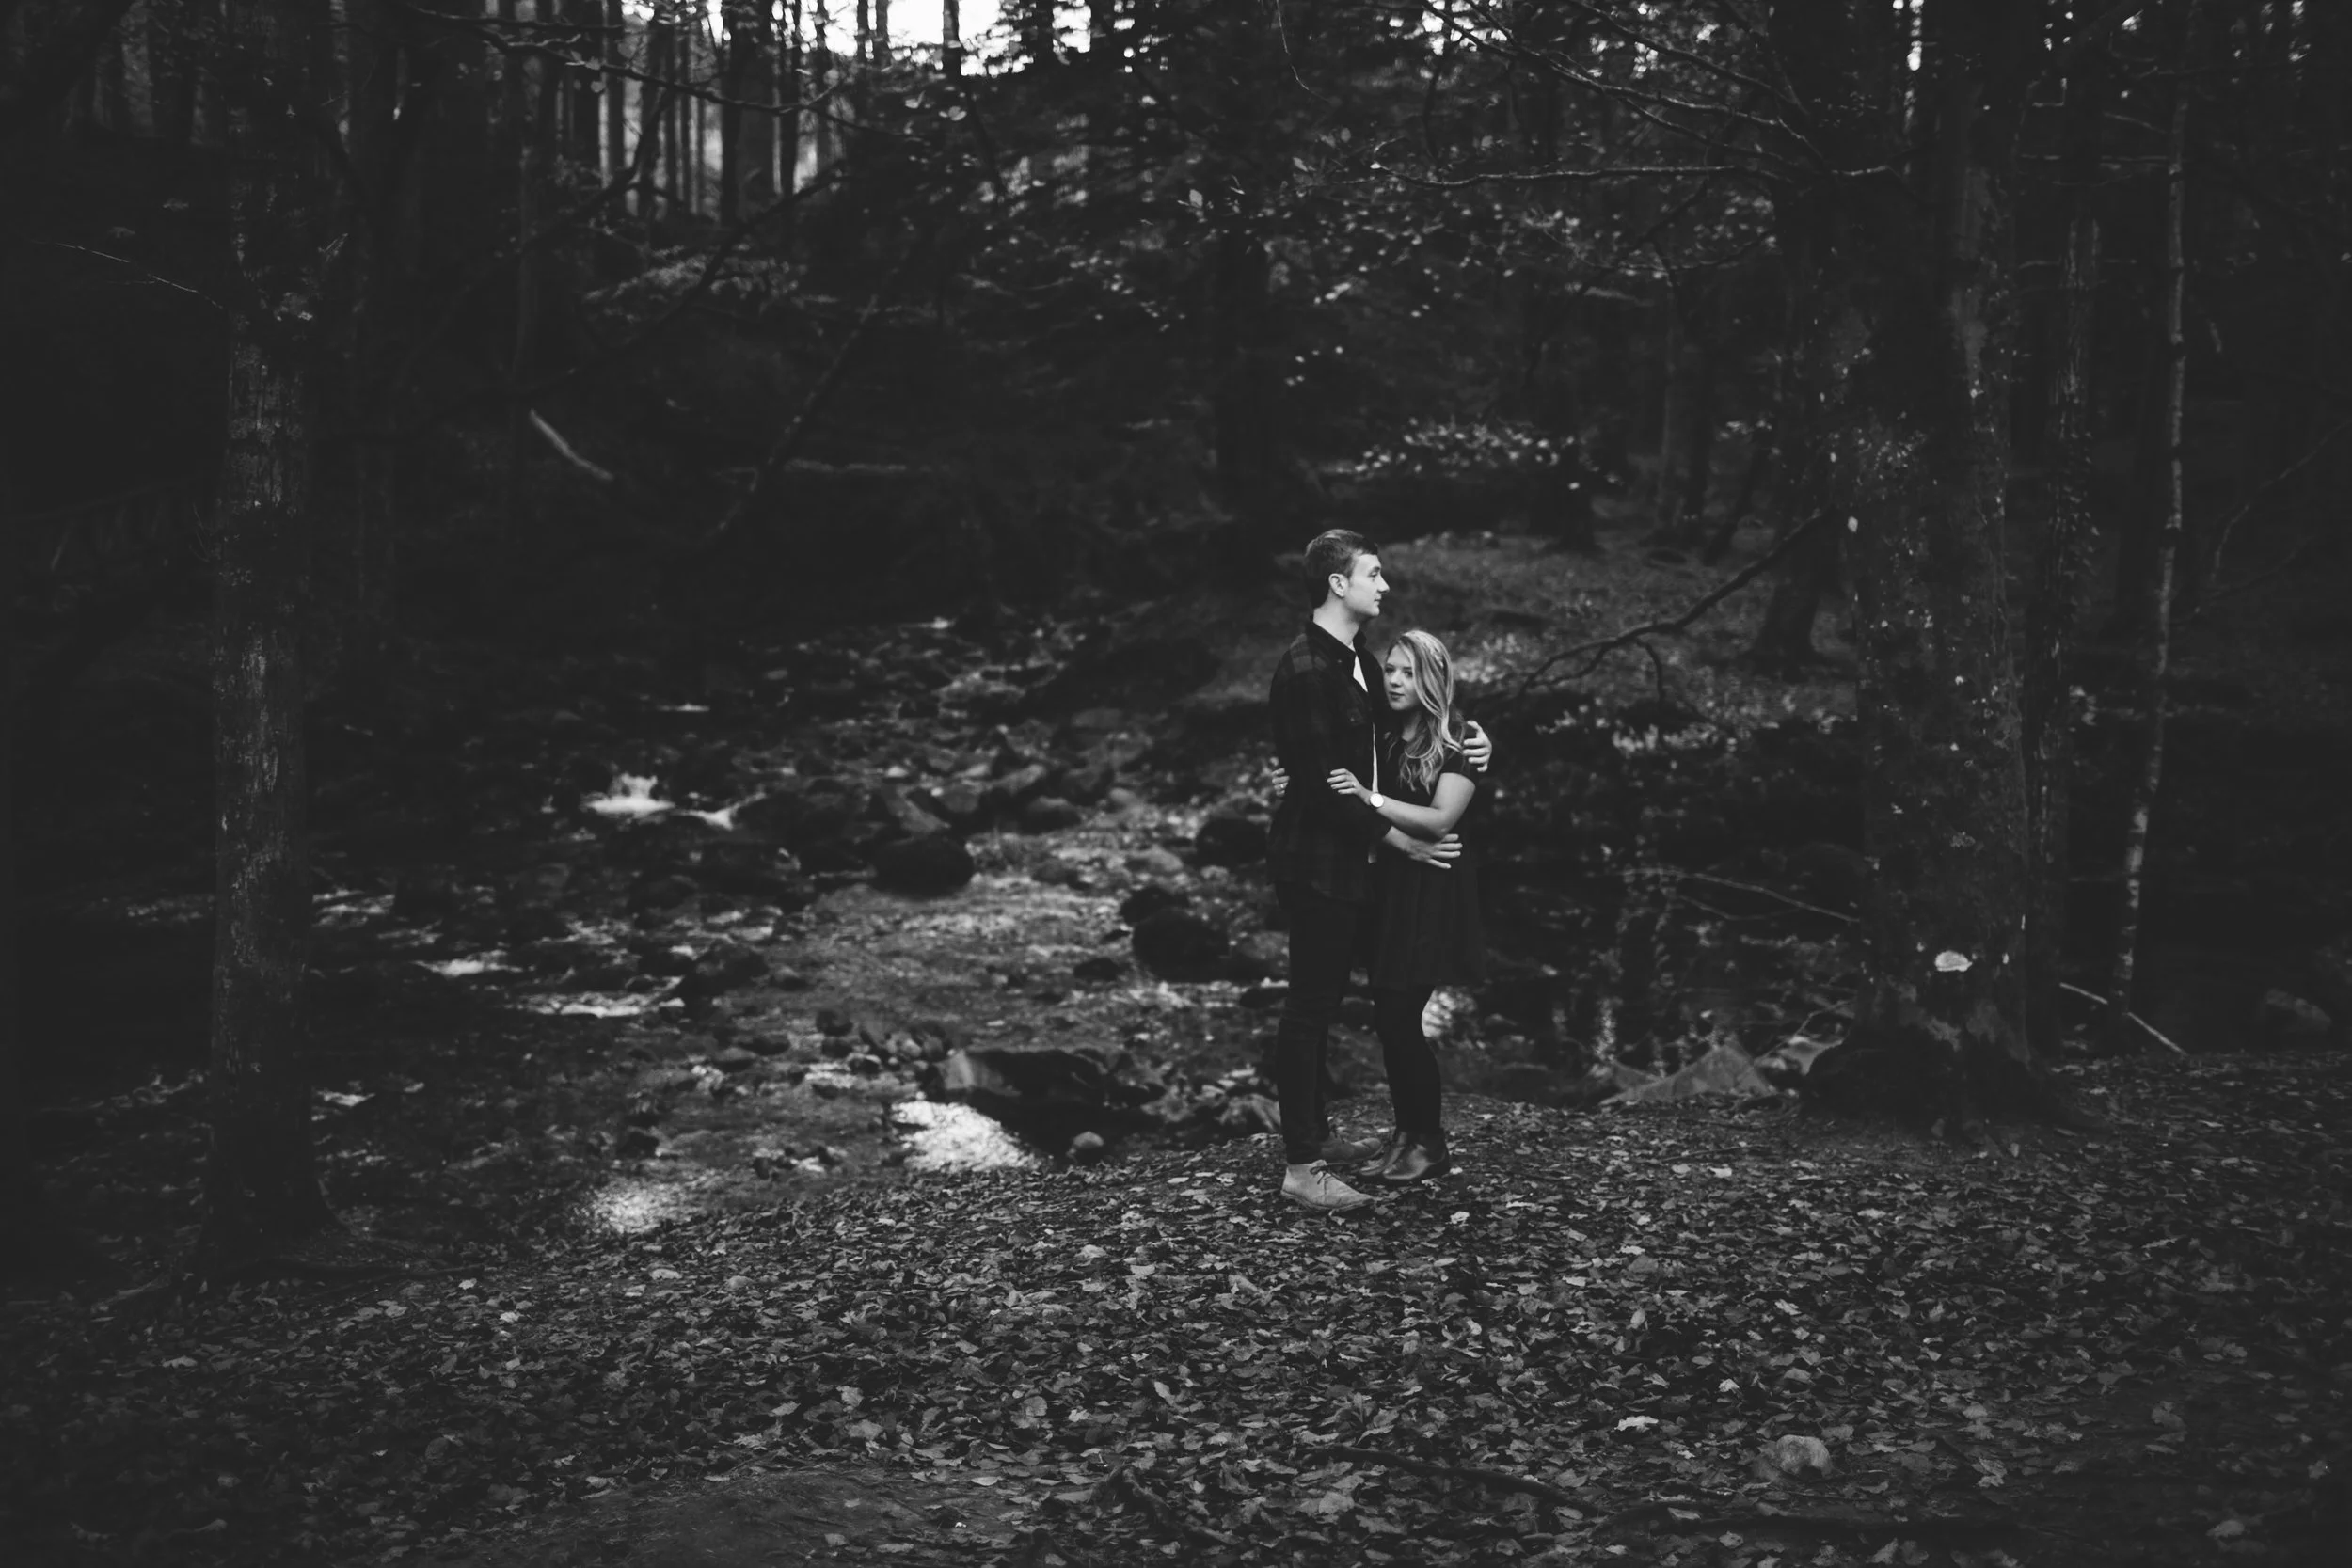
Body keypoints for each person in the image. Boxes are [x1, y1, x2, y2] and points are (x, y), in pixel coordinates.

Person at [1265, 531, 1487, 1212]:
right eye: (1374, 573)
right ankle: (1303, 1166)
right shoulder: (1307, 667)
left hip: (1360, 871)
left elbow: (1378, 748)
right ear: (1339, 583)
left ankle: (1355, 1136)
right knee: (1310, 1008)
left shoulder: (1356, 660)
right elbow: (1324, 784)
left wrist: (1475, 739)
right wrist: (1402, 842)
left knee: (1361, 1007)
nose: (1384, 585)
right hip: (1323, 866)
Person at [1325, 629, 1485, 1185]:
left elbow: (1439, 820)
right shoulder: (1383, 735)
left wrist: (1369, 797)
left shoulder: (1458, 744)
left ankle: (1430, 1144)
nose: (1394, 681)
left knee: (1400, 1019)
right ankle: (1406, 1136)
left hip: (1431, 893)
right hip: (1389, 890)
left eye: (1408, 673)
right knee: (1389, 1021)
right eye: (1390, 669)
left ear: (1432, 680)